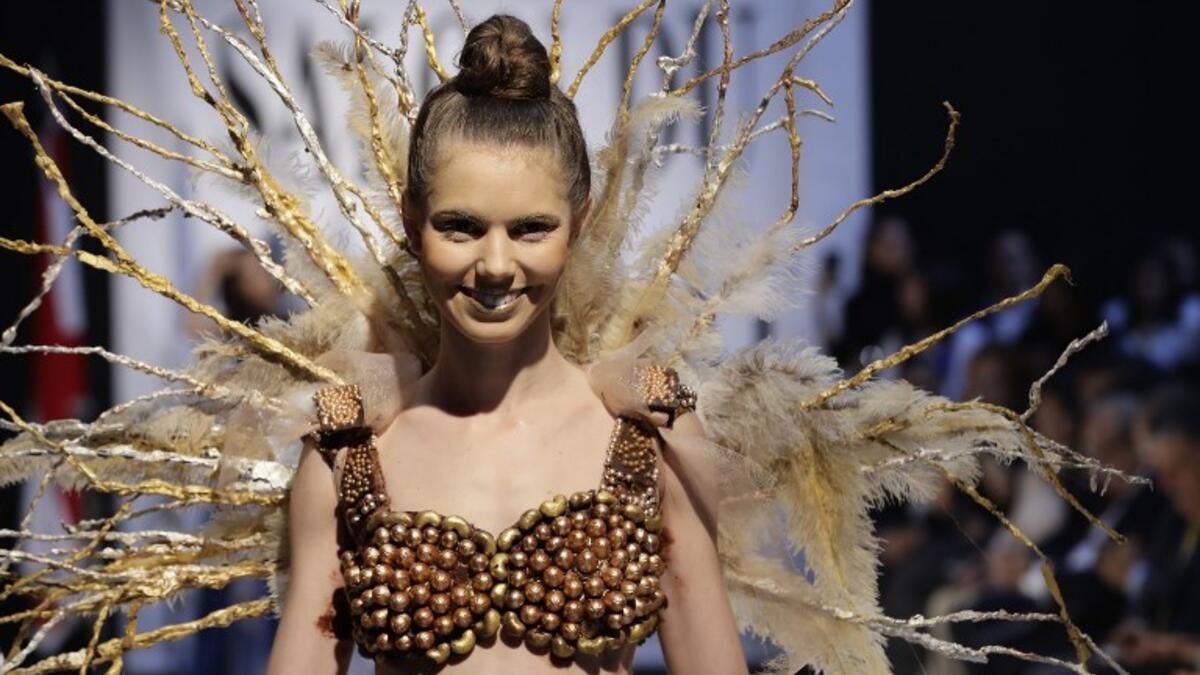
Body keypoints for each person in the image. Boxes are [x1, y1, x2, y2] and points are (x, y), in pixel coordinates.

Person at [264, 15, 747, 674]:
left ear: (577, 225)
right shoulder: (347, 455)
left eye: (530, 229)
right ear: (411, 223)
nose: (495, 265)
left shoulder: (650, 439)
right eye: (460, 226)